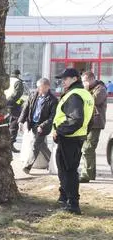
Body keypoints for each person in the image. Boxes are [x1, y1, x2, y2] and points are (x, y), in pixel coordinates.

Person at [52, 68, 94, 215]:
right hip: (76, 137)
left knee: (68, 171)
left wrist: (59, 131)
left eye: (66, 78)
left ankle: (72, 203)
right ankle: (65, 197)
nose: (63, 81)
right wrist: (83, 133)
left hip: (69, 138)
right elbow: (90, 120)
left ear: (75, 79)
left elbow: (76, 119)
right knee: (66, 169)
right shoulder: (84, 94)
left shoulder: (74, 95)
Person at [18, 78, 58, 174]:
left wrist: (42, 126)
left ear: (47, 87)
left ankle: (27, 166)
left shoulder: (52, 100)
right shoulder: (33, 95)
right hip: (33, 124)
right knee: (42, 146)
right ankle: (54, 162)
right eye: (38, 87)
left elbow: (52, 117)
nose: (38, 89)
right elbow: (26, 108)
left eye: (41, 87)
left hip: (43, 126)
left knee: (35, 145)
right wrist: (21, 121)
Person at [79, 71, 108, 183]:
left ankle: (86, 175)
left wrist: (85, 90)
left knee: (88, 148)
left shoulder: (101, 89)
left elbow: (92, 101)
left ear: (91, 79)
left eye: (85, 81)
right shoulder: (89, 88)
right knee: (87, 149)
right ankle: (90, 173)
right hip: (86, 122)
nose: (83, 83)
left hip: (95, 123)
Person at [4, 69, 25, 153]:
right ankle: (10, 144)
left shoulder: (7, 80)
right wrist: (10, 102)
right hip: (14, 106)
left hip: (4, 105)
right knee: (13, 125)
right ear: (18, 75)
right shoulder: (18, 82)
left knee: (5, 124)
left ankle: (5, 144)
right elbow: (17, 94)